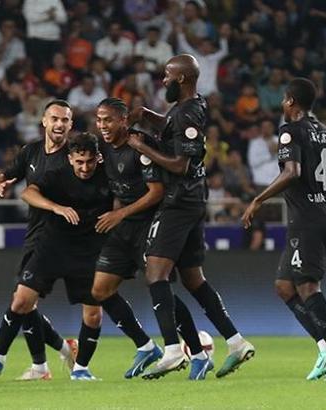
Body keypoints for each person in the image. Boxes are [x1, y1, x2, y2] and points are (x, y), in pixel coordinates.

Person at [127, 54, 255, 380]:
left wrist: (143, 148)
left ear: (181, 79)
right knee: (193, 279)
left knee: (155, 273)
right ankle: (236, 342)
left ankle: (172, 350)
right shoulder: (188, 108)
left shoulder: (187, 112)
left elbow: (180, 165)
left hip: (179, 201)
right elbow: (173, 130)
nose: (163, 81)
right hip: (193, 200)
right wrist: (148, 116)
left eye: (167, 76)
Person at [242, 77, 326, 381]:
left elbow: (292, 172)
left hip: (308, 220)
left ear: (290, 101)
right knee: (285, 286)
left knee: (308, 287)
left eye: (284, 100)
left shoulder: (291, 131)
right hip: (316, 216)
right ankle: (325, 349)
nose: (282, 105)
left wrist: (258, 199)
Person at [93, 97, 205, 379]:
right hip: (121, 229)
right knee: (100, 290)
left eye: (108, 120)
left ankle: (197, 353)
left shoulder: (139, 145)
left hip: (147, 225)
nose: (103, 125)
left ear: (123, 120)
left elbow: (156, 192)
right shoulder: (103, 149)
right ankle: (146, 346)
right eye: (99, 120)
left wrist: (120, 213)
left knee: (159, 286)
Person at [0, 100, 77, 381]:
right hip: (35, 235)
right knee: (26, 303)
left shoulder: (74, 157)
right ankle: (48, 362)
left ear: (71, 124)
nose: (59, 124)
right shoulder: (31, 151)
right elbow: (7, 174)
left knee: (21, 300)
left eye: (65, 120)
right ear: (44, 121)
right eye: (55, 119)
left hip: (61, 238)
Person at [16, 132, 112, 380]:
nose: (84, 167)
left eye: (89, 161)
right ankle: (40, 365)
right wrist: (56, 207)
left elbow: (127, 195)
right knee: (22, 302)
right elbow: (27, 192)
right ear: (70, 159)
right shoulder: (55, 174)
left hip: (90, 250)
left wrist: (119, 215)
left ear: (98, 158)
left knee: (93, 314)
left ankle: (80, 369)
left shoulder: (108, 174)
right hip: (53, 245)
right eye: (79, 162)